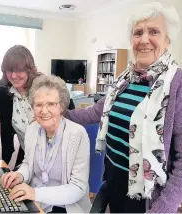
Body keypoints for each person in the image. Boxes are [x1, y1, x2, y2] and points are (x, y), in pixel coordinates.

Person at [67, 2, 182, 213]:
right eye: (138, 33)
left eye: (154, 32)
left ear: (167, 40)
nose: (144, 39)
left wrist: (162, 208)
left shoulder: (177, 85)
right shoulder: (124, 80)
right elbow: (96, 112)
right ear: (131, 40)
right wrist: (62, 113)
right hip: (114, 181)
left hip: (147, 198)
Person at [1, 75, 91, 213]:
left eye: (51, 104)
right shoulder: (32, 129)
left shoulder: (77, 134)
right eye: (38, 105)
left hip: (64, 206)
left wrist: (35, 193)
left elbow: (77, 189)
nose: (44, 111)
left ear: (61, 106)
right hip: (34, 201)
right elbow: (28, 163)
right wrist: (20, 175)